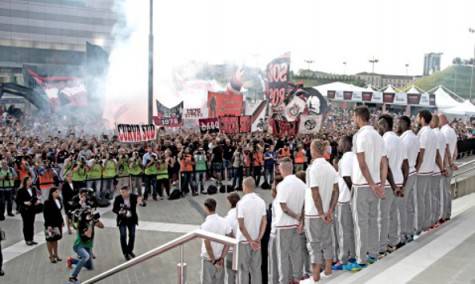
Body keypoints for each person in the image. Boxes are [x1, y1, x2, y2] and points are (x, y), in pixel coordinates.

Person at [351, 106, 388, 269]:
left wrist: (374, 184)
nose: (353, 120)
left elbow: (362, 164)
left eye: (354, 117)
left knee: (361, 223)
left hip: (362, 185)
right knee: (373, 221)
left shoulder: (361, 136)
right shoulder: (378, 136)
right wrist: (381, 183)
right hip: (374, 185)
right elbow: (384, 163)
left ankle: (361, 258)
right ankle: (373, 253)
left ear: (359, 117)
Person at [303, 139, 339, 283]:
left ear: (313, 150)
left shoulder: (312, 169)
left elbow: (315, 193)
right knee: (327, 241)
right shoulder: (330, 167)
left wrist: (320, 212)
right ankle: (328, 270)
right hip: (327, 212)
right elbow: (336, 190)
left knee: (314, 245)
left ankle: (316, 276)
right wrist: (330, 210)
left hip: (314, 213)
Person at [377, 114, 408, 254]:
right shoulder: (399, 139)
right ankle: (393, 242)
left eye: (379, 126)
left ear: (383, 125)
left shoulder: (385, 140)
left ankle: (382, 246)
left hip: (390, 183)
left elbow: (385, 166)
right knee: (393, 213)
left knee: (383, 216)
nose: (378, 129)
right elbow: (405, 165)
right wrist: (402, 185)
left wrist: (392, 185)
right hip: (399, 179)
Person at [273, 157, 306, 284]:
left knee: (283, 256)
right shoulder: (302, 184)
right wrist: (301, 219)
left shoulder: (282, 185)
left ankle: (284, 281)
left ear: (282, 169)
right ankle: (297, 278)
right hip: (297, 225)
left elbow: (283, 207)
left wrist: (296, 216)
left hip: (284, 225)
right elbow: (305, 205)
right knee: (297, 253)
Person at [236, 177, 267, 284]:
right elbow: (264, 222)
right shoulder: (261, 201)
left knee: (243, 270)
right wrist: (258, 238)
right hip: (257, 241)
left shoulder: (241, 203)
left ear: (245, 186)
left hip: (245, 241)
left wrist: (250, 241)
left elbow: (241, 226)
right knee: (256, 269)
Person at [333, 135, 356, 270]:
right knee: (351, 230)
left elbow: (347, 179)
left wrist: (353, 196)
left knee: (344, 231)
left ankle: (344, 259)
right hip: (350, 198)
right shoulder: (354, 156)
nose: (339, 145)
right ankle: (352, 255)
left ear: (346, 144)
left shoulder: (346, 158)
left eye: (341, 142)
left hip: (345, 199)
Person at [66, 207, 104, 283]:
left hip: (88, 245)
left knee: (89, 266)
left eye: (90, 214)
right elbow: (88, 235)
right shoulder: (81, 224)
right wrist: (91, 223)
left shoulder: (91, 221)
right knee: (86, 256)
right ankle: (73, 276)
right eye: (89, 215)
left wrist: (96, 220)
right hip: (79, 245)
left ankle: (71, 260)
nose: (90, 216)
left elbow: (102, 226)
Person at [397, 115, 420, 242]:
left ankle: (403, 234)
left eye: (399, 124)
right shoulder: (415, 137)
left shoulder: (404, 140)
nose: (397, 126)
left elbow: (403, 162)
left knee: (402, 206)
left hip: (406, 174)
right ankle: (410, 231)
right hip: (412, 171)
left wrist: (402, 183)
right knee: (410, 205)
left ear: (403, 124)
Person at [415, 110, 438, 234]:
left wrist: (416, 169)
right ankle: (427, 223)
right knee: (426, 198)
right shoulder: (432, 133)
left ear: (422, 119)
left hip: (423, 170)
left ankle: (421, 225)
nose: (417, 119)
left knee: (420, 200)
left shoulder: (424, 133)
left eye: (418, 117)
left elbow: (421, 154)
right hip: (429, 169)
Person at [200, 198, 230, 284]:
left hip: (208, 260)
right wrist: (222, 257)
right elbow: (228, 240)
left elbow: (207, 244)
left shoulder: (205, 225)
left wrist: (213, 261)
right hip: (220, 259)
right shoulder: (224, 221)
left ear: (206, 208)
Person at [112, 185, 142, 260]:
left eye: (124, 192)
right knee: (123, 235)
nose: (122, 194)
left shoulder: (134, 196)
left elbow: (142, 203)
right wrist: (119, 212)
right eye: (121, 192)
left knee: (132, 235)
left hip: (132, 219)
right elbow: (114, 209)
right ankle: (125, 252)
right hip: (122, 219)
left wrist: (141, 202)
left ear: (128, 192)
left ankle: (130, 250)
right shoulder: (118, 198)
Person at [439, 113, 458, 221]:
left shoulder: (444, 131)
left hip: (445, 164)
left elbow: (445, 150)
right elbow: (455, 149)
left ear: (443, 119)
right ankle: (447, 213)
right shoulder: (452, 131)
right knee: (447, 190)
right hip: (449, 164)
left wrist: (447, 164)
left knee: (442, 191)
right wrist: (453, 162)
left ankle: (443, 215)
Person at [430, 115, 448, 227]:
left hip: (433, 169)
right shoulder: (441, 134)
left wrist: (441, 167)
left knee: (432, 197)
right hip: (438, 169)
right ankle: (438, 217)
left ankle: (434, 219)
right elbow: (445, 152)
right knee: (436, 195)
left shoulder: (434, 135)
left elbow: (436, 155)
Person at [16, 176, 41, 245]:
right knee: (26, 224)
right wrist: (24, 202)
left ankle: (31, 238)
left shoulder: (33, 189)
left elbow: (35, 197)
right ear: (25, 181)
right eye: (29, 180)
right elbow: (18, 200)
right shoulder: (21, 190)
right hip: (25, 209)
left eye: (31, 180)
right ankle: (27, 239)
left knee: (31, 224)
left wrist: (37, 201)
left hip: (32, 209)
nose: (30, 181)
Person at [43, 186, 64, 263]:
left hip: (57, 223)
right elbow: (45, 214)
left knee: (55, 239)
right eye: (56, 192)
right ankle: (51, 255)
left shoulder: (58, 200)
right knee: (50, 240)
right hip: (50, 224)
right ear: (52, 193)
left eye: (58, 192)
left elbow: (59, 212)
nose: (58, 193)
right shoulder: (47, 202)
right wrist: (48, 225)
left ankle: (56, 254)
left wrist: (62, 221)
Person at [224, 193, 240, 284]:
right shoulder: (243, 213)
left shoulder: (228, 217)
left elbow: (227, 234)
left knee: (230, 274)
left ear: (230, 203)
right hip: (243, 247)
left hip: (231, 250)